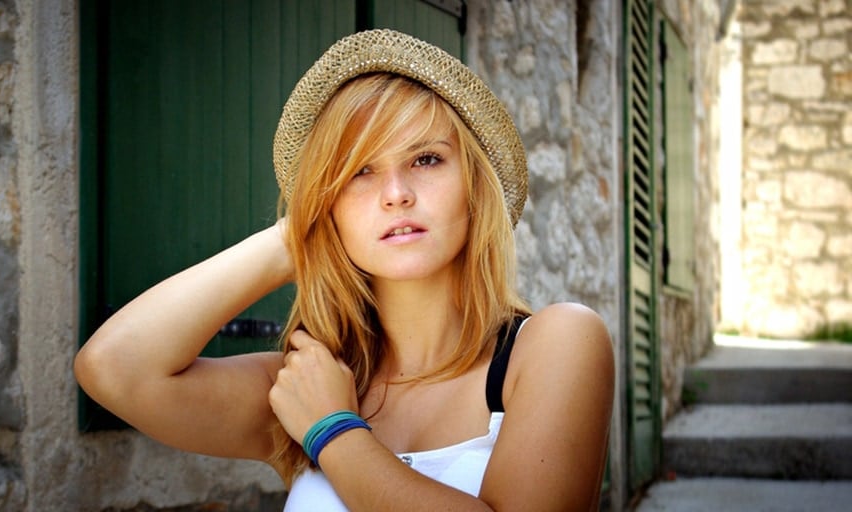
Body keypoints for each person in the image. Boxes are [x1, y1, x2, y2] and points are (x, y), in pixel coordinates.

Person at [75, 29, 614, 511]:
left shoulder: (555, 345)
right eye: (359, 172)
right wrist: (298, 236)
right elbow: (113, 369)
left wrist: (334, 432)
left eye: (426, 158)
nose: (397, 195)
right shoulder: (307, 382)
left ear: (474, 186)